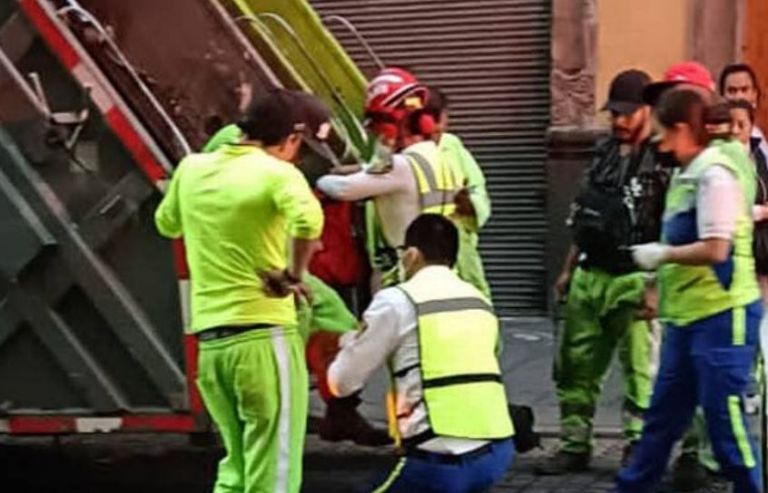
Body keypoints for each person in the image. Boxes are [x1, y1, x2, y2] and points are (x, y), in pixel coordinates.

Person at [154, 89, 324, 493]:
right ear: (292, 139)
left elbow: (167, 224)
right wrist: (292, 274)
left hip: (211, 347)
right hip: (264, 338)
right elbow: (309, 221)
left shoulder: (192, 169)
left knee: (237, 469)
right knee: (275, 471)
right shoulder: (277, 173)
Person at [201, 93, 390, 447]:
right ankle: (291, 407)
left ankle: (338, 409)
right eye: (298, 146)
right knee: (303, 323)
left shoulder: (245, 149)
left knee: (337, 319)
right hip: (251, 264)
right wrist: (293, 270)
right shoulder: (234, 153)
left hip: (267, 260)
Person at [617, 89, 762, 493]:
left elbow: (718, 249)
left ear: (682, 129)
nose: (658, 141)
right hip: (686, 318)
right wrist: (655, 289)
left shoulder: (714, 174)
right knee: (662, 419)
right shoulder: (688, 172)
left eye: (663, 132)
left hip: (722, 315)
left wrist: (662, 255)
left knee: (725, 421)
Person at [536, 69, 667, 475]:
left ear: (648, 111)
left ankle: (637, 446)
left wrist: (656, 287)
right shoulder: (603, 151)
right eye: (615, 113)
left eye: (628, 113)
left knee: (640, 371)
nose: (619, 121)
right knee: (576, 364)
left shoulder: (663, 159)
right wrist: (567, 269)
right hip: (591, 272)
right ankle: (575, 442)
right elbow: (584, 213)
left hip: (635, 274)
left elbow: (670, 226)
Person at [327, 214, 514, 493]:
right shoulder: (479, 299)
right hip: (497, 451)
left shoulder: (398, 300)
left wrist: (349, 343)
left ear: (411, 255)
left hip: (440, 459)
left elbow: (342, 382)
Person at [316, 68, 466, 289]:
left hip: (405, 274)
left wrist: (321, 179)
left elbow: (342, 189)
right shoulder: (441, 159)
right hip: (443, 273)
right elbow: (390, 175)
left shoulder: (399, 166)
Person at [424, 86, 493, 301]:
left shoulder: (451, 145)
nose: (444, 125)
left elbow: (477, 187)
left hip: (459, 243)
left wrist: (471, 204)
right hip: (420, 245)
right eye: (442, 119)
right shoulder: (400, 151)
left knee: (474, 296)